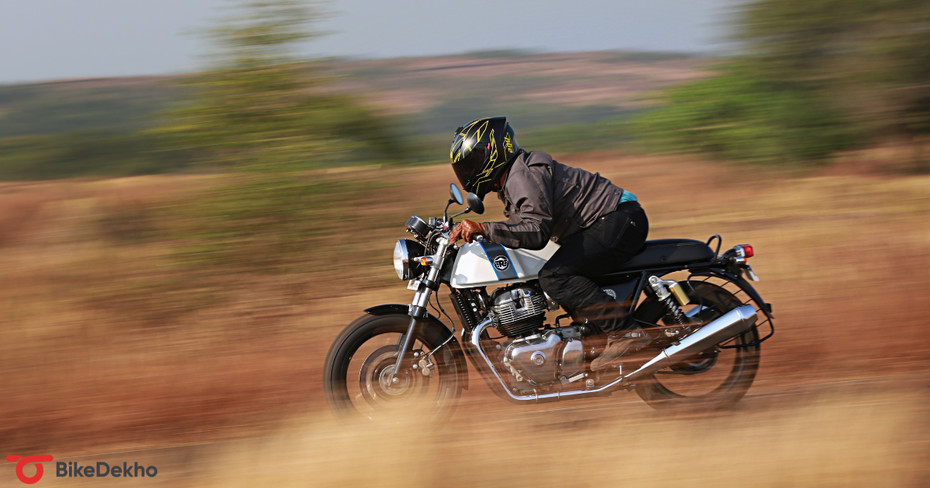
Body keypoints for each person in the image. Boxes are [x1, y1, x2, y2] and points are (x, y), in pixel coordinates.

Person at [448, 116, 650, 372]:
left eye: (472, 163)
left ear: (493, 154)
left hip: (617, 218)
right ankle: (592, 339)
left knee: (555, 276)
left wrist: (485, 229)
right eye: (464, 168)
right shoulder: (513, 179)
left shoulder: (522, 174)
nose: (468, 172)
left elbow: (536, 230)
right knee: (550, 272)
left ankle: (626, 334)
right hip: (604, 222)